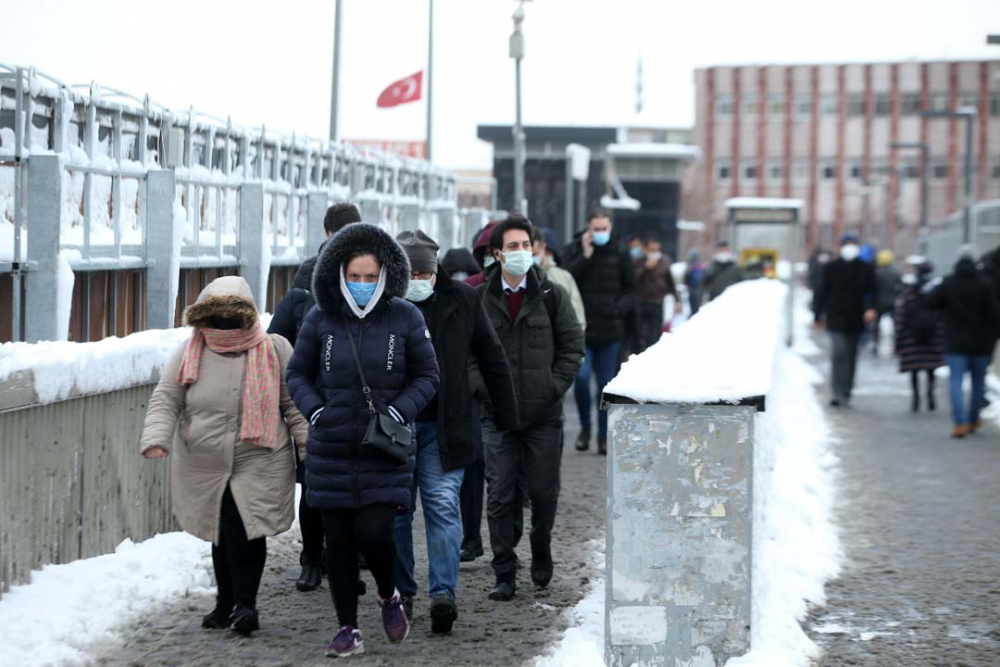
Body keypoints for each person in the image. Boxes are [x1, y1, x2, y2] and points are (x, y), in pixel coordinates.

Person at [285, 223, 440, 658]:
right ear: (339, 273)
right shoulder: (321, 317)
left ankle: (389, 594)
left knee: (375, 534)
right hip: (331, 447)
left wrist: (398, 410)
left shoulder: (405, 316)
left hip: (382, 447)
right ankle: (347, 627)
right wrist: (315, 409)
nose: (362, 284)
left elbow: (428, 375)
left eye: (371, 277)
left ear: (386, 276)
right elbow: (297, 372)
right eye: (355, 275)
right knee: (338, 541)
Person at [140, 276, 309, 636]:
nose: (224, 324)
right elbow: (166, 398)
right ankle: (225, 602)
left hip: (261, 454)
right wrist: (157, 437)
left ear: (247, 316)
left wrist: (308, 444)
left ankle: (244, 604)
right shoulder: (190, 352)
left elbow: (293, 404)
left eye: (233, 317)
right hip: (206, 458)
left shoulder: (274, 349)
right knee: (223, 530)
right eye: (216, 316)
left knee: (246, 526)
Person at [391, 230, 517, 632]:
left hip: (447, 424)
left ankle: (443, 592)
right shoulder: (382, 304)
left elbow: (492, 357)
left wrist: (507, 414)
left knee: (443, 506)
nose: (419, 279)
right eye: (411, 271)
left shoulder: (463, 301)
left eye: (426, 272)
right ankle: (402, 591)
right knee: (396, 512)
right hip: (394, 426)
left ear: (436, 270)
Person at [475, 214, 584, 601]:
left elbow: (573, 346)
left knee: (542, 492)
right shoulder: (481, 299)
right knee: (500, 495)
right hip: (498, 416)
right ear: (497, 254)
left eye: (526, 245)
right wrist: (486, 392)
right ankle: (504, 571)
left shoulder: (552, 296)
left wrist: (553, 386)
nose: (522, 252)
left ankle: (541, 548)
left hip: (543, 416)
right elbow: (466, 354)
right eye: (513, 247)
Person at [268, 202, 361, 593]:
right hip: (320, 405)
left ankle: (328, 560)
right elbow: (281, 346)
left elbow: (276, 342)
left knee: (326, 486)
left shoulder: (365, 281)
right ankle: (315, 558)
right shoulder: (307, 287)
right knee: (324, 485)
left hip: (344, 401)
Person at [563, 209, 637, 455]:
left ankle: (603, 435)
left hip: (610, 330)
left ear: (610, 227)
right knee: (582, 379)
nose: (600, 233)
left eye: (604, 228)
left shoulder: (620, 252)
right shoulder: (575, 249)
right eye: (596, 229)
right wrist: (585, 256)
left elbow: (631, 289)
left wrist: (619, 309)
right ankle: (585, 427)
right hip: (582, 330)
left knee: (606, 384)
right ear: (588, 228)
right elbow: (567, 280)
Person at [924, 246, 1000, 438]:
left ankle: (960, 422)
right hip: (981, 343)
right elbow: (994, 314)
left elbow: (930, 302)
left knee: (956, 382)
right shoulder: (985, 284)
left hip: (955, 341)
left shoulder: (949, 282)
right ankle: (973, 419)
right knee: (978, 382)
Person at [813, 233, 877, 407]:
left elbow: (873, 291)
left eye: (853, 244)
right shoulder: (832, 267)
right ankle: (837, 393)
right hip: (835, 317)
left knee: (851, 356)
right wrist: (817, 314)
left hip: (856, 319)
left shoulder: (866, 268)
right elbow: (821, 292)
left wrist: (871, 308)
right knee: (839, 354)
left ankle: (846, 391)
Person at [894, 257, 944, 412]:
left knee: (914, 369)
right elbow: (941, 316)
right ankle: (930, 394)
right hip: (932, 337)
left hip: (912, 338)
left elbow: (902, 315)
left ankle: (915, 398)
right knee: (931, 369)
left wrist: (899, 339)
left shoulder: (910, 292)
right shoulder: (936, 291)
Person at [531, 226, 586, 331]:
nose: (531, 258)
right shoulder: (516, 280)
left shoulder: (564, 277)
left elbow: (577, 318)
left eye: (534, 254)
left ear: (544, 247)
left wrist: (574, 343)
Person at [635, 238, 679, 352]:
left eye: (657, 249)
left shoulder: (664, 262)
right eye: (651, 249)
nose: (654, 252)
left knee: (654, 335)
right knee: (641, 334)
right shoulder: (639, 261)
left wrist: (677, 299)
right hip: (641, 303)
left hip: (657, 302)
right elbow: (633, 279)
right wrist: (645, 268)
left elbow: (670, 282)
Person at [872, 250, 901, 355]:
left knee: (876, 325)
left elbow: (873, 288)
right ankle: (897, 346)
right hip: (892, 302)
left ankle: (875, 344)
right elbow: (900, 287)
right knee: (896, 325)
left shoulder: (876, 272)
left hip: (879, 302)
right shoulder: (895, 272)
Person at [683, 249, 705, 316]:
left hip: (692, 292)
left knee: (694, 311)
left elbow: (685, 281)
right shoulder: (702, 267)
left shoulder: (690, 267)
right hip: (700, 292)